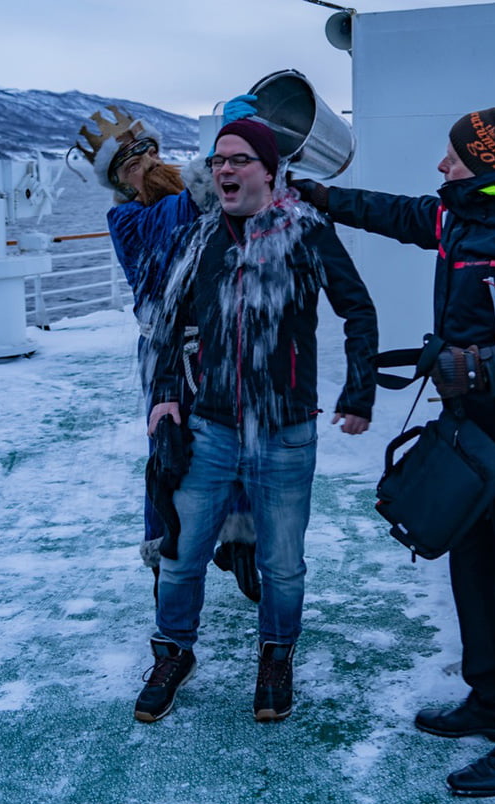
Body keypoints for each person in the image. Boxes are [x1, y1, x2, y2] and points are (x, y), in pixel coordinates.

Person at [292, 107, 495, 797]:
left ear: (490, 165)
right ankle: (488, 699)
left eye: (455, 158)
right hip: (475, 439)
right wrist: (320, 197)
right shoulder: (458, 218)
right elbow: (402, 215)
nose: (441, 167)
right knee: (472, 573)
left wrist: (484, 367)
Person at [135, 117, 378, 724]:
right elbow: (166, 323)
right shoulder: (199, 238)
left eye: (239, 160)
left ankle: (275, 654)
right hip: (211, 426)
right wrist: (166, 396)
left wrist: (359, 391)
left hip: (286, 429)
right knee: (183, 551)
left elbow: (359, 309)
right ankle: (172, 652)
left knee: (282, 562)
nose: (224, 170)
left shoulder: (307, 231)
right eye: (218, 160)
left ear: (269, 170)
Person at [73, 100, 260, 604]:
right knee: (214, 440)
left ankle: (201, 551)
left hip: (175, 350)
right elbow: (206, 190)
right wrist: (236, 134)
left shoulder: (132, 216)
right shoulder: (143, 218)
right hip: (194, 348)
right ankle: (213, 547)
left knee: (177, 450)